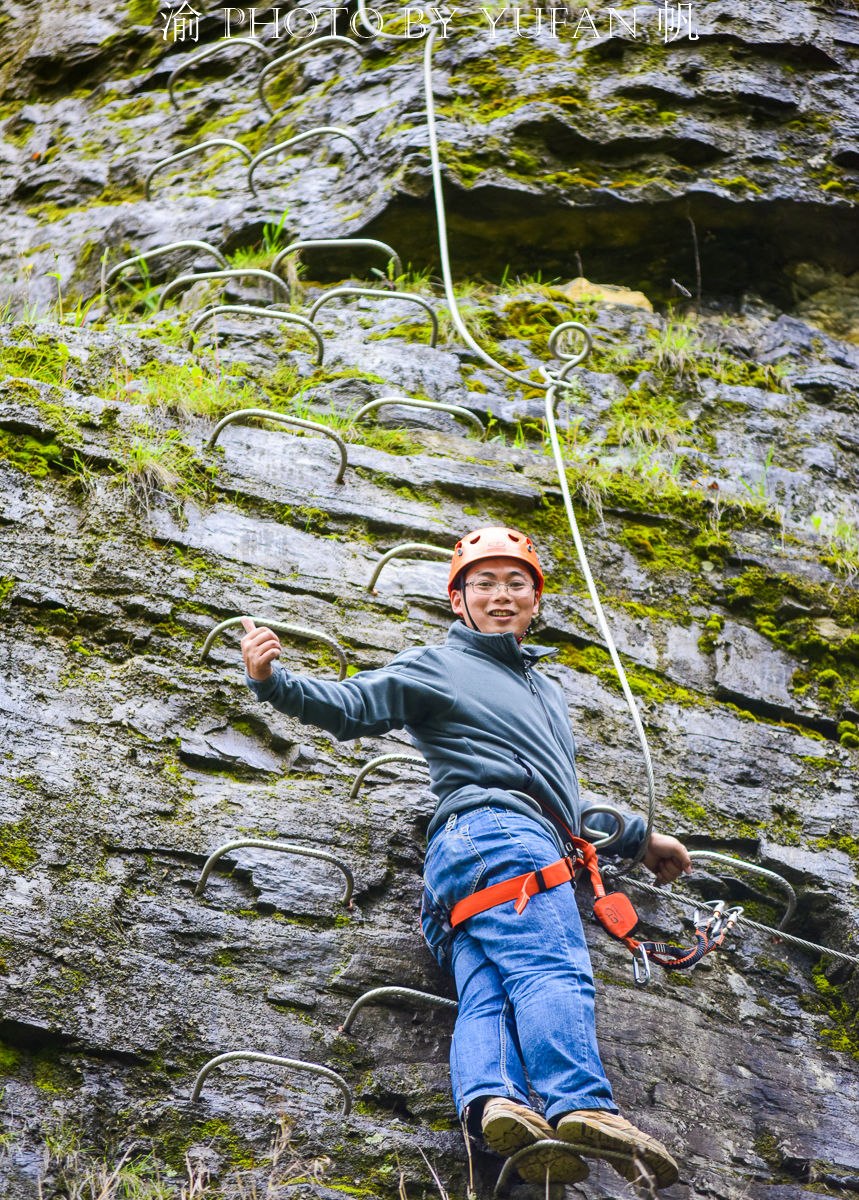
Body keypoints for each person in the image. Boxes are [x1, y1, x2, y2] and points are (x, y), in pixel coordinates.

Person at [240, 526, 690, 1190]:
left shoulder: (546, 695)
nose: (501, 595)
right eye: (484, 583)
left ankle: (497, 1102)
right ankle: (580, 1103)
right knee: (551, 967)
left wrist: (636, 837)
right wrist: (273, 682)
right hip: (501, 838)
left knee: (488, 994)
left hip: (466, 863)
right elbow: (355, 705)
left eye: (516, 583)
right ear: (458, 601)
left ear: (535, 600)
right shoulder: (436, 666)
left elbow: (558, 798)